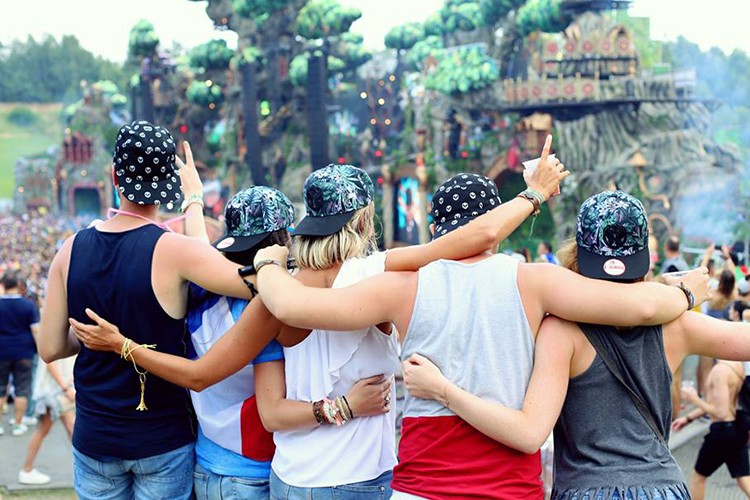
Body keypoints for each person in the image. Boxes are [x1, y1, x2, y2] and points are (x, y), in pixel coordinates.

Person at [70, 137, 572, 499]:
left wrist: (123, 346)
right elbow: (474, 238)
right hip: (358, 478)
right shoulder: (377, 271)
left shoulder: (276, 287)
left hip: (289, 478)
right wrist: (533, 193)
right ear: (363, 220)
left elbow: (201, 373)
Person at [252, 182, 710, 497]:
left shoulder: (401, 286)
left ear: (438, 230)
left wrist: (269, 264)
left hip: (423, 483)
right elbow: (639, 307)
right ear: (496, 227)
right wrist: (686, 291)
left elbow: (293, 308)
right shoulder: (535, 281)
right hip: (509, 485)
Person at [400, 190, 750, 500]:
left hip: (587, 489)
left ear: (577, 253)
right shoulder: (677, 323)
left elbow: (529, 433)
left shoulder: (561, 330)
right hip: (663, 488)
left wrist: (443, 390)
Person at [39, 121, 261, 500]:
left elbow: (50, 348)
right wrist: (194, 198)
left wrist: (96, 334)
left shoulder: (70, 249)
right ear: (167, 183)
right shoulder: (175, 250)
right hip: (161, 437)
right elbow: (251, 284)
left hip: (96, 436)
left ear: (114, 176)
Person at [674, 361, 750, 499]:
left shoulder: (719, 371)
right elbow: (718, 402)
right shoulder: (737, 365)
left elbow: (721, 412)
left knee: (698, 477)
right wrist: (688, 418)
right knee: (743, 479)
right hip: (737, 429)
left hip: (722, 432)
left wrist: (694, 399)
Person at [18, 356, 76, 485]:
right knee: (67, 429)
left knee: (70, 430)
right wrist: (65, 388)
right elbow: (50, 362)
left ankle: (27, 469)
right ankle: (26, 469)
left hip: (58, 389)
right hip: (54, 391)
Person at [0, 271, 40, 437]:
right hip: (24, 352)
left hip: (2, 351)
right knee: (22, 389)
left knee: (1, 388)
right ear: (17, 285)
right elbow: (35, 330)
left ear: (3, 285)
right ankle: (17, 424)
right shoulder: (28, 305)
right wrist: (40, 349)